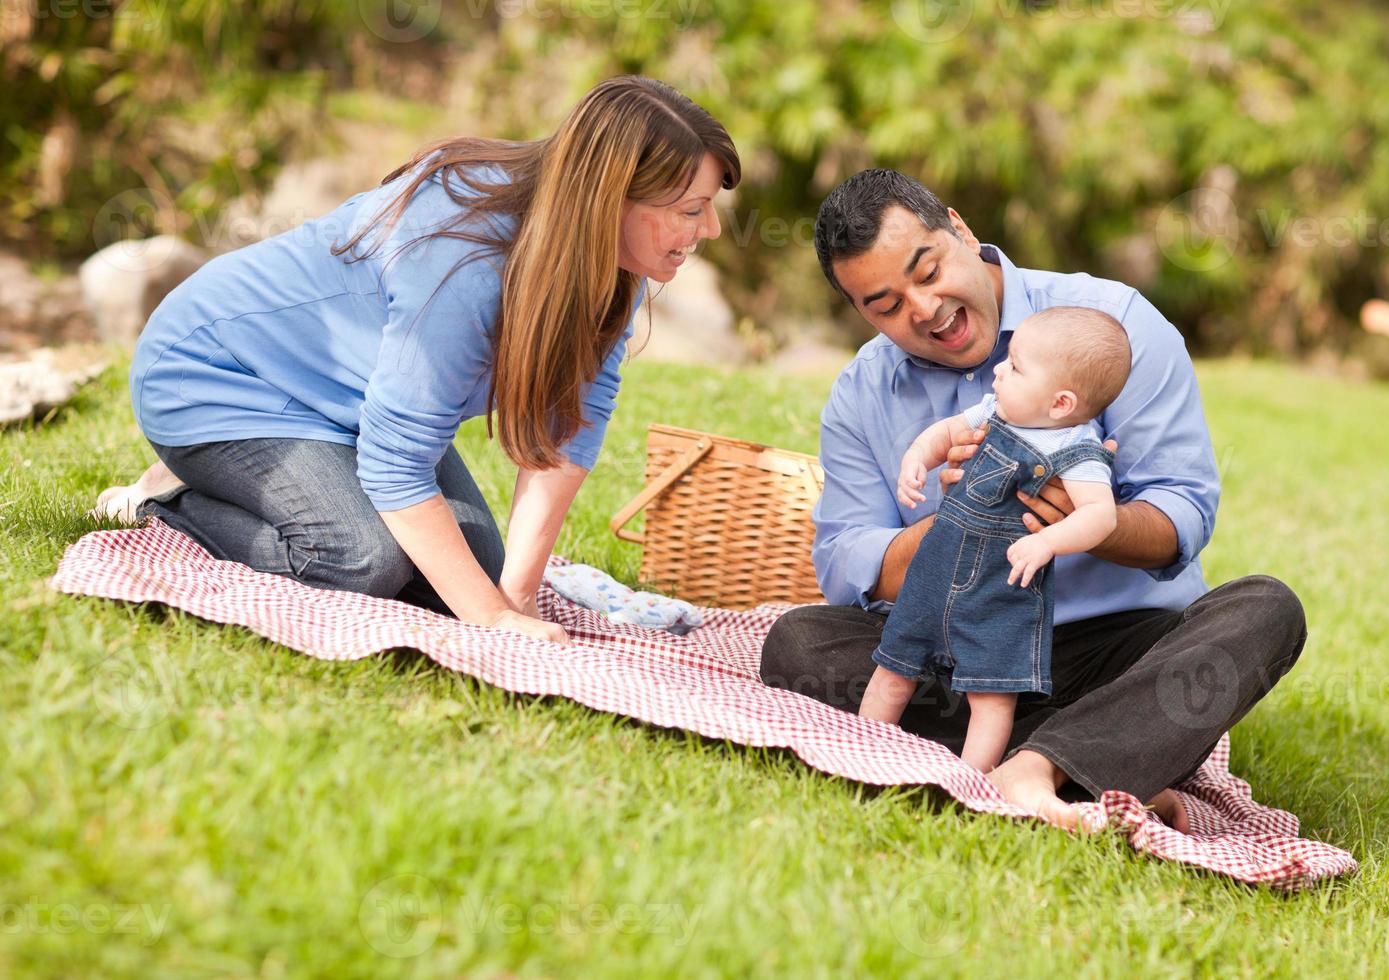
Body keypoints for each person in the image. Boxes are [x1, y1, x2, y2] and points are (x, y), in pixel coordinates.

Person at [95, 76, 740, 645]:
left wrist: (511, 598)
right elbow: (397, 463)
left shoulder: (610, 269)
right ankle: (170, 504)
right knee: (359, 562)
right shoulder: (463, 257)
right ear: (609, 200)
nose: (710, 230)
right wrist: (490, 623)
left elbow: (567, 427)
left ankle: (280, 486)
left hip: (347, 408)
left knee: (470, 578)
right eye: (690, 210)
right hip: (218, 374)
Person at [760, 169, 1305, 831]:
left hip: (1117, 650)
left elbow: (1182, 510)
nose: (923, 308)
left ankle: (1033, 766)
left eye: (928, 271)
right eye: (885, 303)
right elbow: (847, 565)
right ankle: (1087, 762)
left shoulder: (1115, 328)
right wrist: (959, 518)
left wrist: (1084, 522)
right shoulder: (863, 392)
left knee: (1265, 613)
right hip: (964, 648)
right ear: (860, 312)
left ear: (960, 230)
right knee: (797, 644)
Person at [861, 307, 1128, 776]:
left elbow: (1099, 515)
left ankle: (970, 781)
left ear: (1061, 403)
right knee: (894, 665)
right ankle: (860, 749)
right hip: (935, 572)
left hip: (1000, 593)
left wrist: (1048, 544)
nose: (999, 370)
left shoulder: (1078, 452)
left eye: (1016, 367)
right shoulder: (992, 411)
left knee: (992, 697)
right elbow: (945, 433)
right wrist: (917, 458)